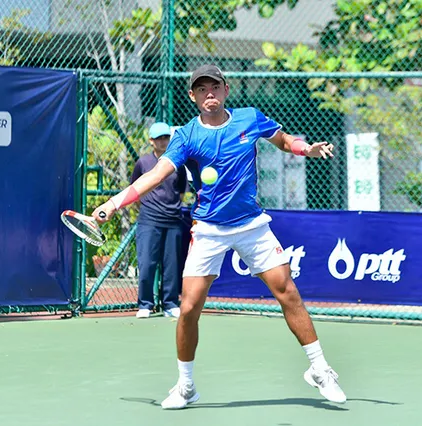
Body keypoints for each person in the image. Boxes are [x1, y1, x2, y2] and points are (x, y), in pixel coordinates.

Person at [93, 64, 346, 409]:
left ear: (226, 90)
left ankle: (320, 369)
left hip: (251, 224)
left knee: (287, 291)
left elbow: (285, 141)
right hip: (209, 230)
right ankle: (185, 387)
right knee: (188, 307)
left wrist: (306, 149)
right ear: (193, 96)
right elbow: (156, 175)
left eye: (214, 86)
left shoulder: (249, 119)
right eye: (201, 89)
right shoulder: (185, 136)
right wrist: (115, 202)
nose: (208, 93)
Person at [130, 122, 188, 319]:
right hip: (149, 221)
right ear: (151, 141)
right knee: (147, 263)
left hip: (173, 221)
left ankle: (170, 304)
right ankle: (145, 304)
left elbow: (180, 192)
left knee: (171, 266)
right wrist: (149, 209)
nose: (163, 142)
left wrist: (170, 209)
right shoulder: (143, 163)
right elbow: (135, 191)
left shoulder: (177, 164)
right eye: (159, 138)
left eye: (166, 138)